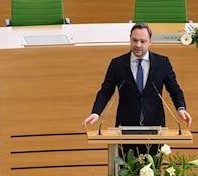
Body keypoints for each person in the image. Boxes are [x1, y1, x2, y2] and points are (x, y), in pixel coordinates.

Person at [82, 23, 192, 156]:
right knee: (126, 173)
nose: (138, 45)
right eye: (134, 40)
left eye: (142, 41)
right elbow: (105, 91)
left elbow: (174, 89)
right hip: (126, 128)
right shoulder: (117, 64)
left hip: (154, 127)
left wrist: (181, 108)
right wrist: (96, 113)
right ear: (130, 39)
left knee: (152, 173)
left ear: (150, 42)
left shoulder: (162, 63)